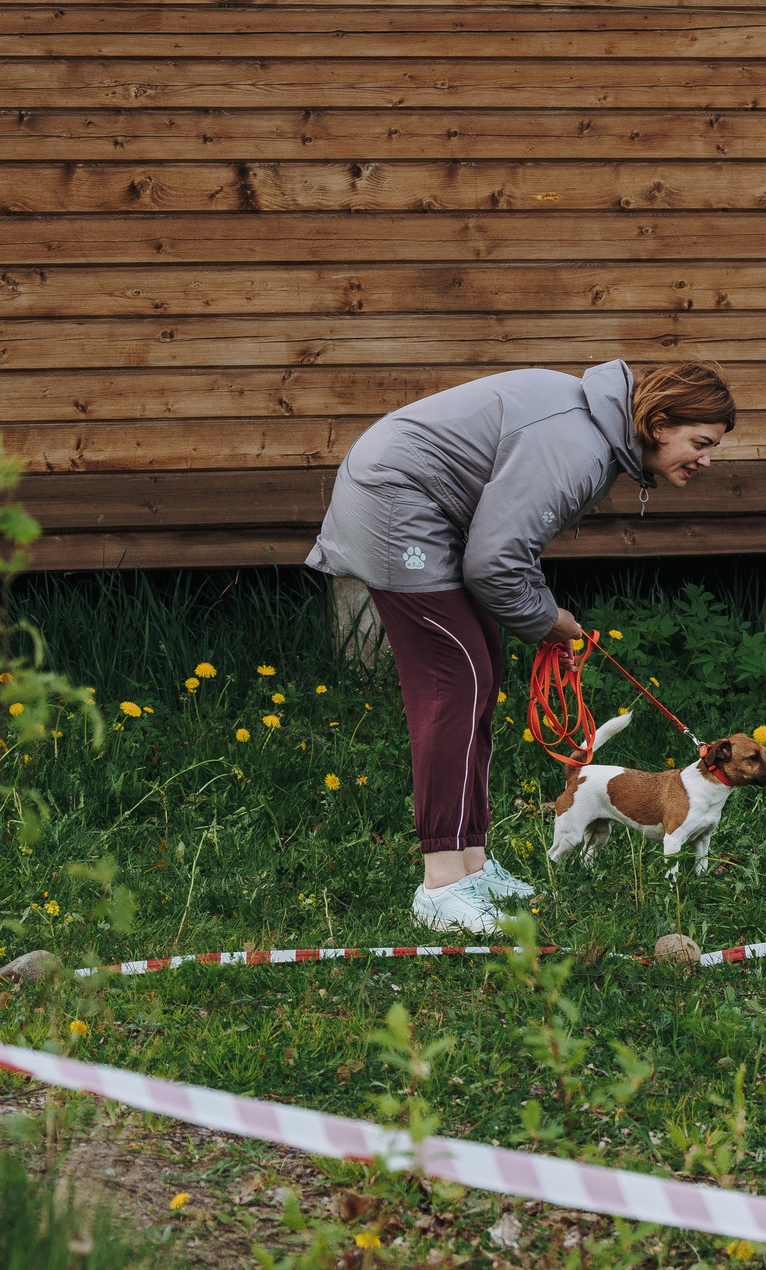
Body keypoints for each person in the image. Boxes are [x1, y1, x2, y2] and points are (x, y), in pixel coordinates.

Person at [308, 358, 735, 934]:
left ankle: (473, 865)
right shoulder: (580, 449)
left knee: (478, 675)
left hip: (431, 510)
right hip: (397, 505)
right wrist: (544, 619)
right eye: (701, 442)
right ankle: (442, 885)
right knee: (454, 685)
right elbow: (493, 563)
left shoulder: (596, 432)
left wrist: (540, 610)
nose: (707, 460)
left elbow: (509, 539)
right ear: (658, 425)